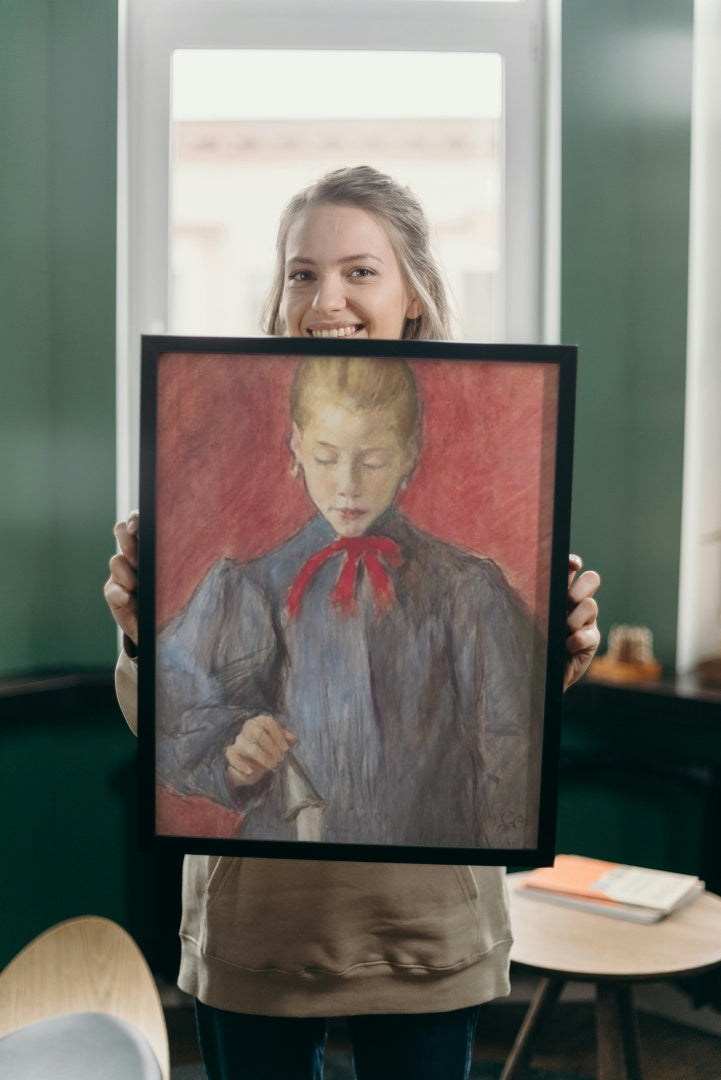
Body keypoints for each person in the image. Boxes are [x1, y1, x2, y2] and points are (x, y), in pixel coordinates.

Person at [105, 165, 601, 1080]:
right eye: (302, 272)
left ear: (413, 292)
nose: (325, 296)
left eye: (359, 271)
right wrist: (166, 669)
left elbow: (507, 746)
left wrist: (557, 662)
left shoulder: (469, 589)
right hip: (260, 929)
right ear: (295, 452)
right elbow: (168, 725)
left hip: (423, 929)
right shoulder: (242, 583)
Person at [155, 354, 544, 850]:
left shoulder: (468, 592)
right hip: (287, 881)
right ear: (296, 446)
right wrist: (235, 746)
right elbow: (170, 706)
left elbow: (512, 755)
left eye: (373, 461)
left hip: (429, 884)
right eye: (325, 457)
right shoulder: (254, 588)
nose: (348, 485)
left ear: (409, 454)